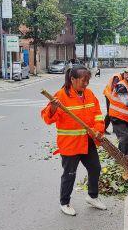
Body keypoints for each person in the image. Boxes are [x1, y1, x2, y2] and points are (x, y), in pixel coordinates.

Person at [41, 65, 107, 216]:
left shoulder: (89, 94)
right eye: (84, 80)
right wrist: (52, 107)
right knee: (70, 174)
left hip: (87, 140)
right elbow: (47, 118)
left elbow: (97, 115)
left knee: (95, 168)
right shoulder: (60, 96)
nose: (86, 83)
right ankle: (64, 203)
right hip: (70, 144)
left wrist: (98, 130)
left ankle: (92, 196)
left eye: (88, 80)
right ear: (72, 79)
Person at [103, 69, 128, 135]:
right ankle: (103, 129)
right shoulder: (117, 77)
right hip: (109, 95)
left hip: (114, 97)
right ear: (125, 73)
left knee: (115, 113)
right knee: (110, 113)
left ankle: (115, 129)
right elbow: (114, 88)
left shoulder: (124, 78)